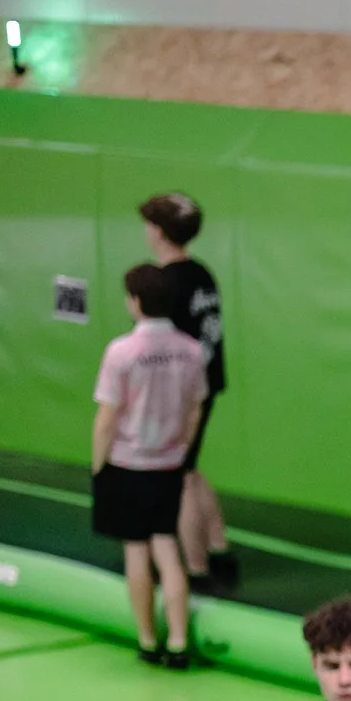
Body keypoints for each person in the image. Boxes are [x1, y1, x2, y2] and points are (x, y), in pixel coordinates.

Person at [92, 262, 208, 669]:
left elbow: (107, 417)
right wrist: (180, 450)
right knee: (168, 550)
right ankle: (177, 643)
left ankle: (147, 639)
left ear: (136, 302)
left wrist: (99, 466)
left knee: (136, 552)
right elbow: (195, 410)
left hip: (128, 462)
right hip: (168, 463)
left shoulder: (121, 352)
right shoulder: (192, 351)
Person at [140, 192, 239, 595]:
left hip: (183, 391)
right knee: (191, 469)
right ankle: (218, 547)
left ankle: (195, 566)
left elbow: (165, 345)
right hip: (207, 381)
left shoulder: (167, 283)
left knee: (178, 477)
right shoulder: (202, 274)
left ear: (159, 233)